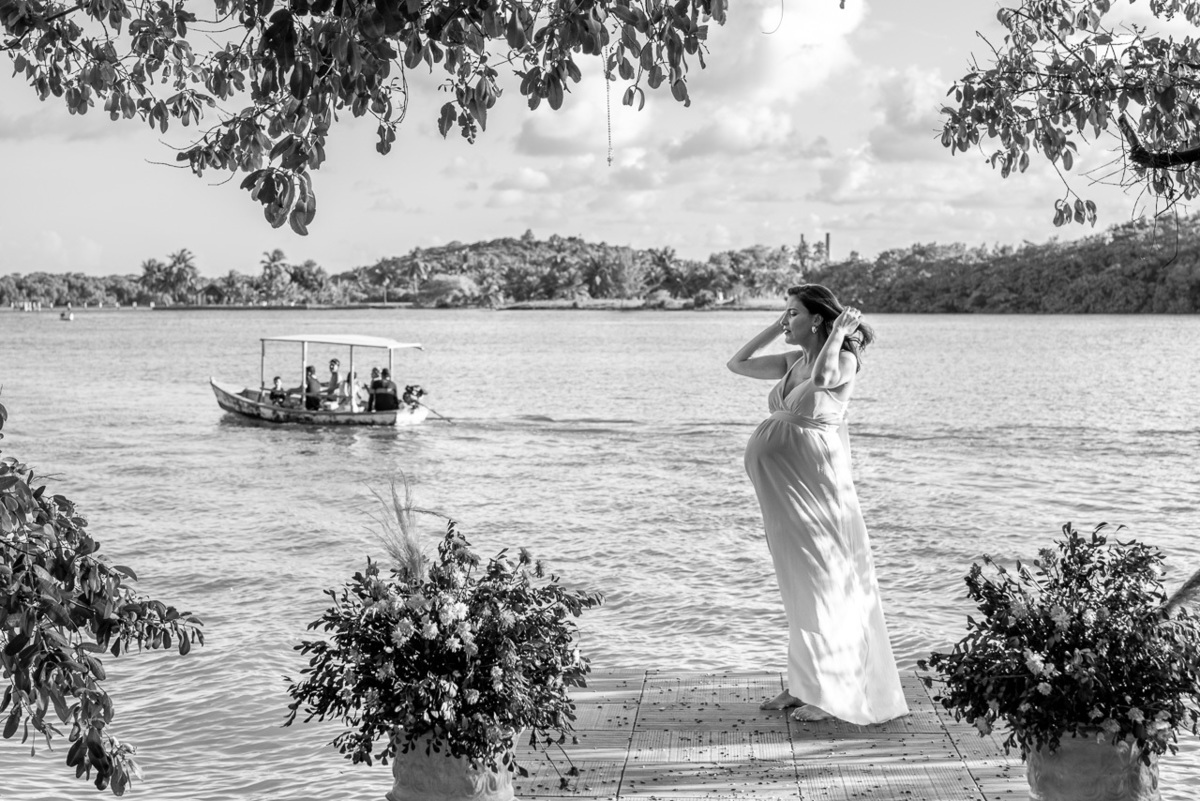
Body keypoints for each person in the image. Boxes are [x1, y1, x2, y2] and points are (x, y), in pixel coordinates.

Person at [728, 283, 908, 726]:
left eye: (792, 313)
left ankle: (833, 693)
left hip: (815, 487)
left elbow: (826, 380)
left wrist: (835, 335)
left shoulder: (842, 358)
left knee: (824, 582)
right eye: (784, 314)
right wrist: (774, 327)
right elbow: (737, 364)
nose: (786, 320)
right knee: (797, 584)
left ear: (817, 320)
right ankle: (803, 683)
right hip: (783, 492)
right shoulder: (793, 360)